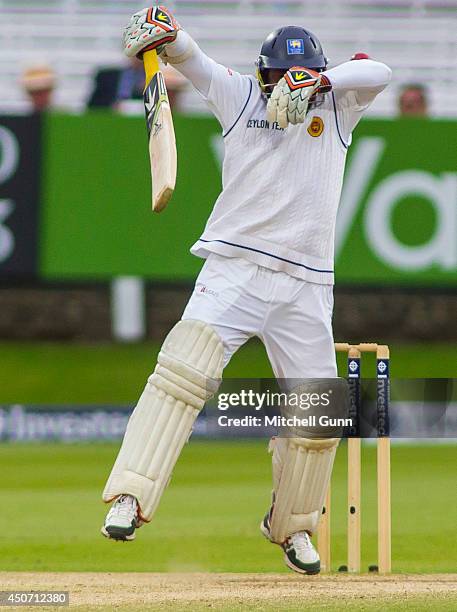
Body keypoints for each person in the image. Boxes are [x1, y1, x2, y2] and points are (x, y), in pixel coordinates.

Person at [101, 5, 391, 575]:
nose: (283, 89)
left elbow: (379, 71)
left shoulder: (337, 110)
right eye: (278, 78)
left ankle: (293, 527)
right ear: (261, 76)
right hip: (234, 267)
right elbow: (190, 58)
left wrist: (320, 82)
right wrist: (164, 29)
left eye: (295, 78)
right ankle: (130, 497)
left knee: (318, 414)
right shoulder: (240, 97)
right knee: (183, 371)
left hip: (306, 282)